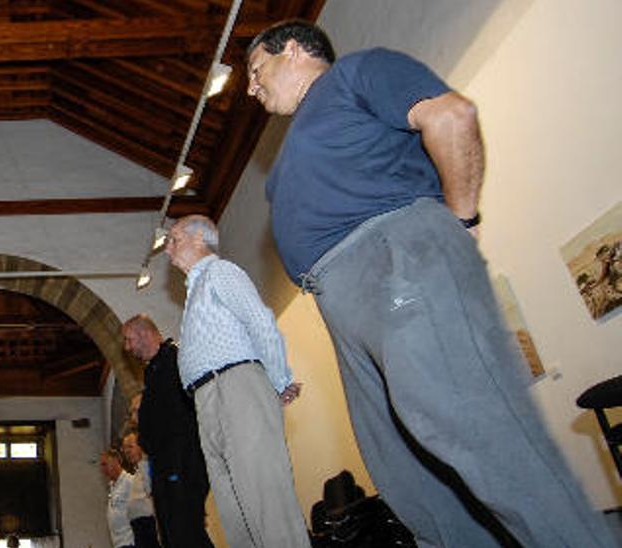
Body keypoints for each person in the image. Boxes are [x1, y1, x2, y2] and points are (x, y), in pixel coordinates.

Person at [245, 20, 614, 547]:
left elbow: (452, 115)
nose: (252, 90)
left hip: (394, 257)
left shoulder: (356, 73)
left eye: (257, 73)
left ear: (297, 50)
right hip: (338, 301)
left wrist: (460, 223)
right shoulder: (290, 152)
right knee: (405, 473)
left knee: (474, 429)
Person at [163, 214, 308, 548]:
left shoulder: (220, 272)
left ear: (199, 239)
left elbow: (260, 321)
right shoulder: (196, 290)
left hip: (236, 386)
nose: (168, 250)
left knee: (265, 499)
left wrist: (277, 381)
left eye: (174, 239)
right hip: (206, 398)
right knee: (233, 509)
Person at [121, 315, 214, 548]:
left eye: (129, 339)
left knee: (187, 534)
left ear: (144, 334)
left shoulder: (175, 359)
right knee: (173, 537)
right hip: (165, 465)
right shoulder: (153, 370)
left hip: (181, 462)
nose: (127, 347)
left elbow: (187, 411)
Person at [117, 432, 160, 548]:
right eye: (124, 449)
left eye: (130, 446)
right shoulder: (137, 472)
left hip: (149, 524)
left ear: (141, 445)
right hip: (138, 526)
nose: (127, 452)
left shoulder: (148, 466)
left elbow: (153, 492)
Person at [99, 448, 140, 548]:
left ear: (116, 462)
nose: (103, 470)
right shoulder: (113, 486)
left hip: (130, 542)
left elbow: (139, 512)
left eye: (105, 464)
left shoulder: (130, 482)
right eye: (101, 466)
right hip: (118, 543)